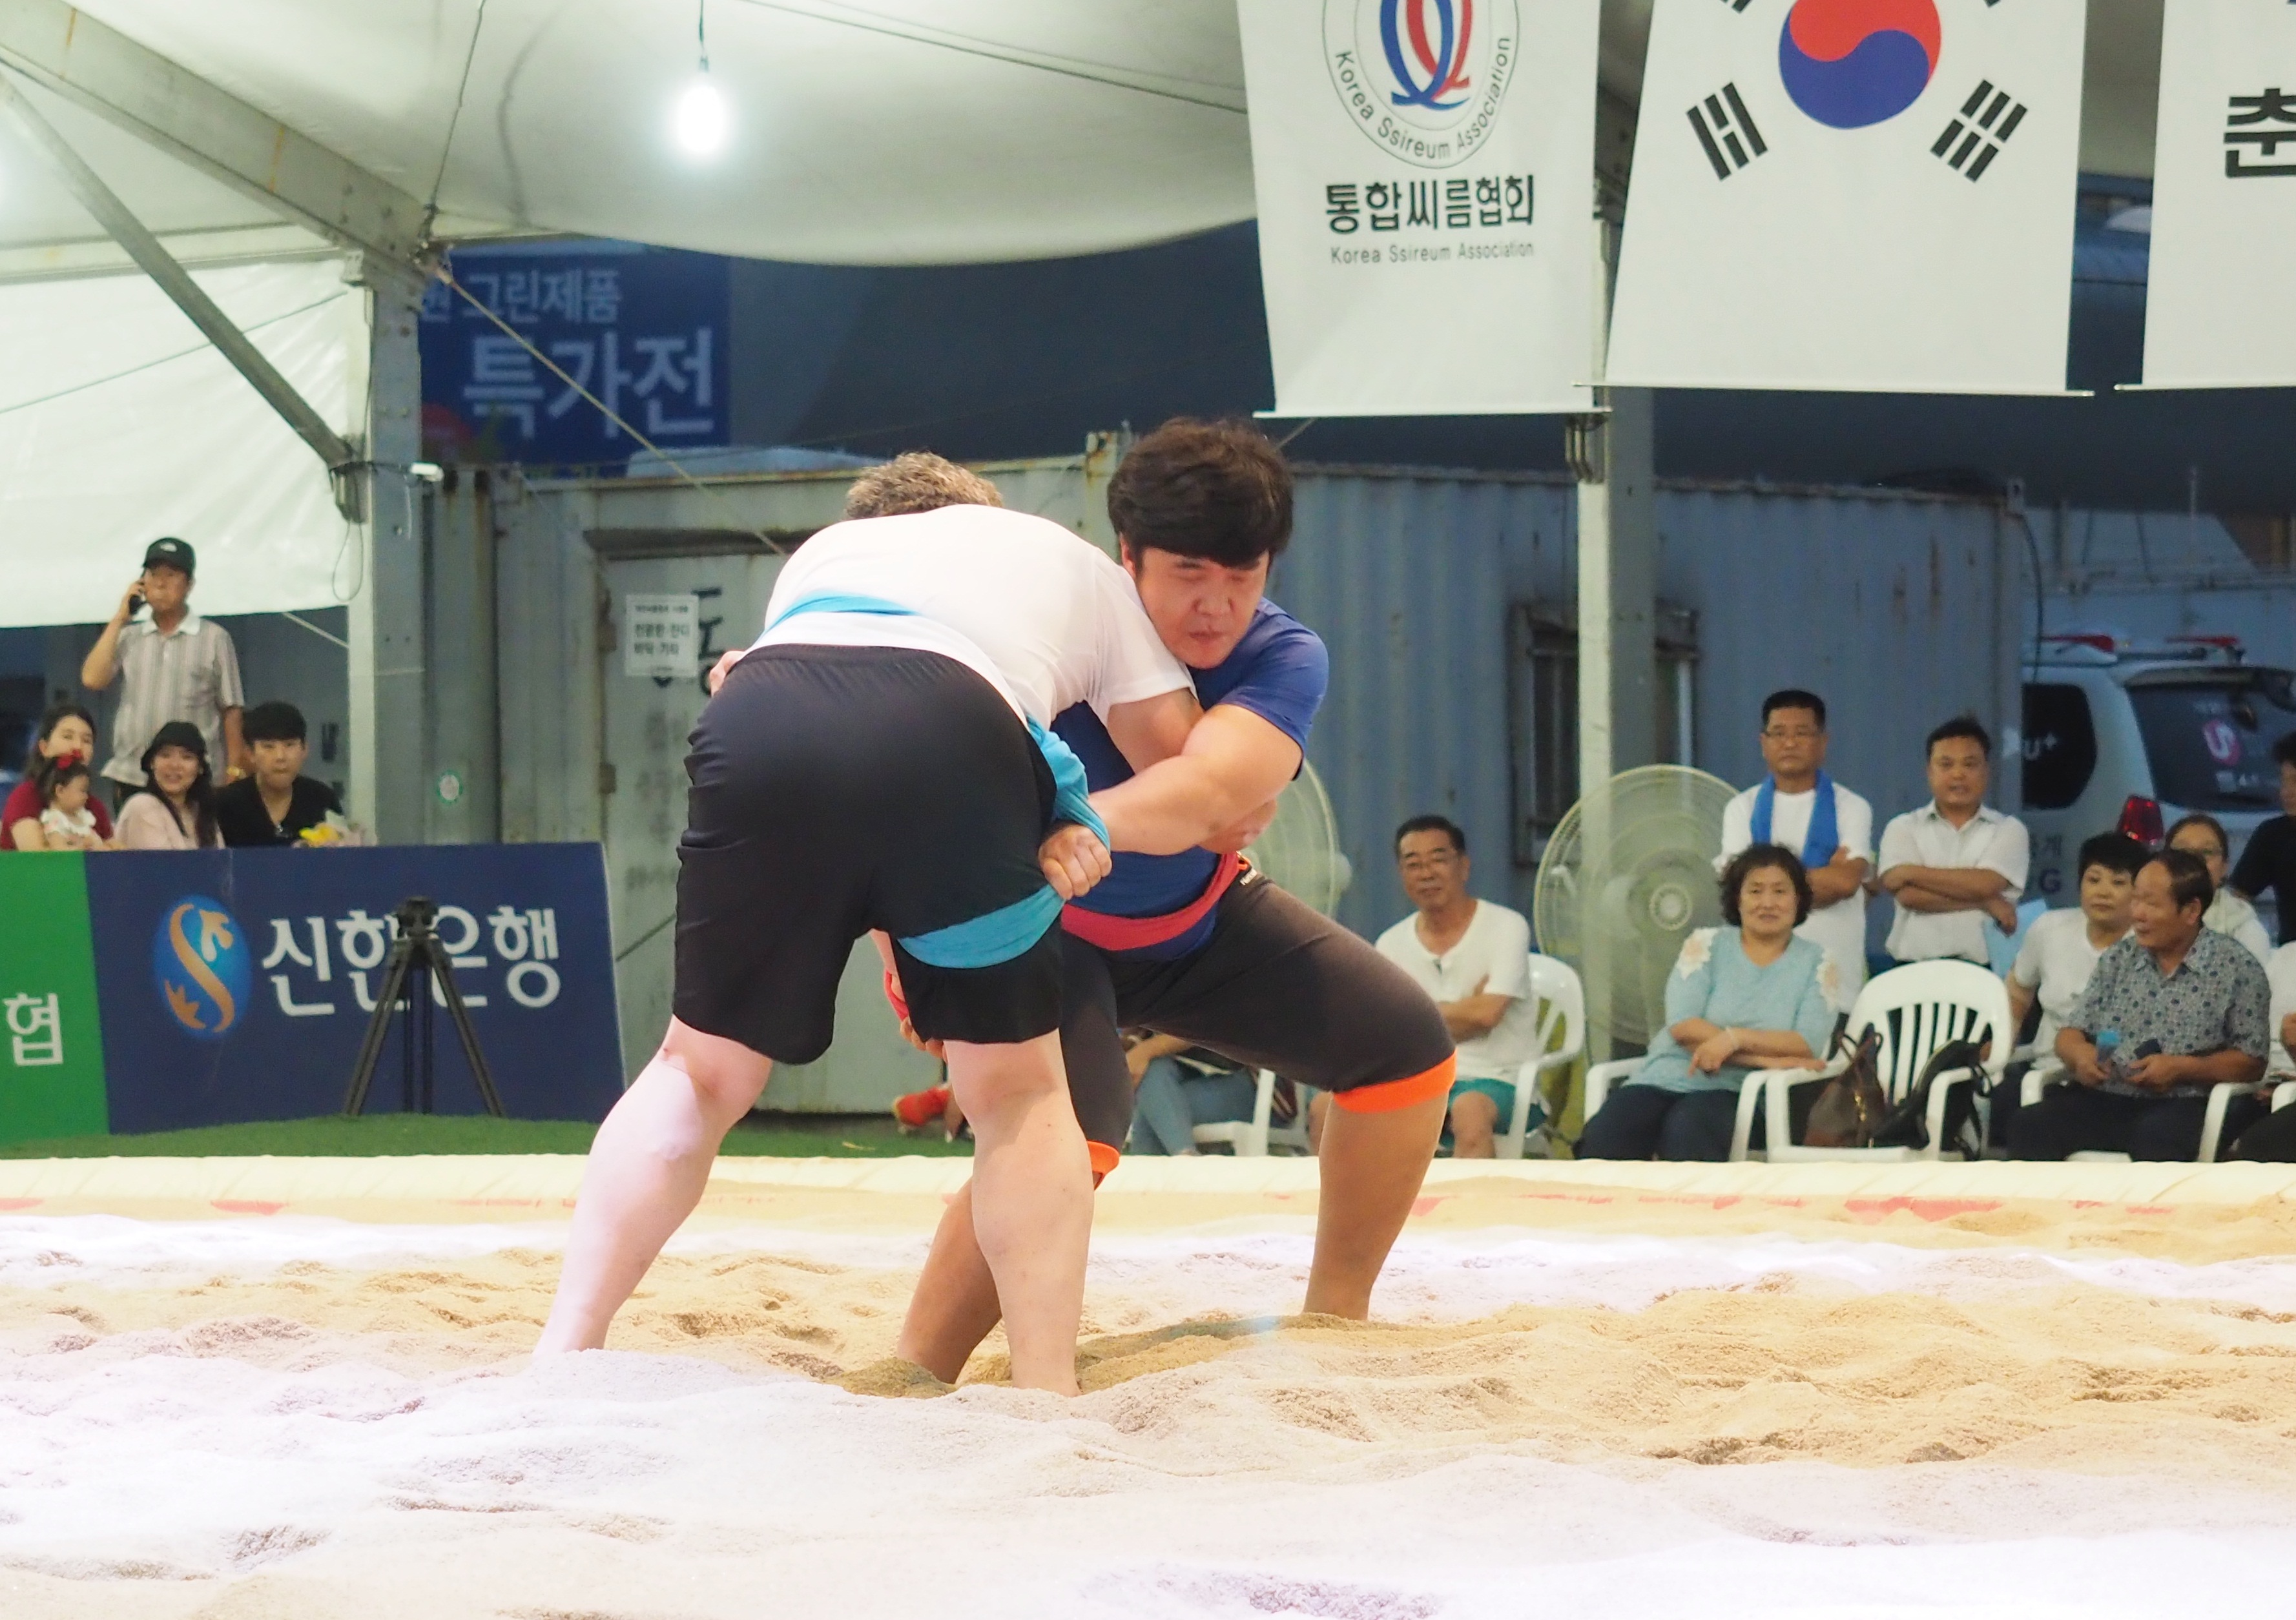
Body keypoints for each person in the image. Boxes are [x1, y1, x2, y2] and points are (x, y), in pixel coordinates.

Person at [536, 456, 1202, 1395]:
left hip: (760, 711)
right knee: (1014, 1090)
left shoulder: (823, 553)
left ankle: (564, 1345)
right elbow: (1179, 762)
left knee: (696, 1068)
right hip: (957, 729)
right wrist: (1073, 815)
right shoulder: (1066, 557)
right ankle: (1046, 1391)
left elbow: (853, 778)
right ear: (984, 515)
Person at [889, 420, 1453, 1387]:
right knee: (1073, 1131)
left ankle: (1333, 1322)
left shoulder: (1284, 654)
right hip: (1039, 932)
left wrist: (1079, 825)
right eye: (1189, 571)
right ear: (1126, 556)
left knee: (1403, 1045)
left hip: (1189, 922)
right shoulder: (1043, 625)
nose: (1216, 605)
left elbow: (1205, 793)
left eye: (1243, 575)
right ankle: (913, 1368)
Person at [1576, 845, 1839, 1162]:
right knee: (1608, 1135)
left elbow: (1803, 1044)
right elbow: (1684, 1026)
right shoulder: (1706, 945)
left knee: (1689, 1131)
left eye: (1780, 891)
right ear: (1737, 899)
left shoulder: (1817, 962)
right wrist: (1766, 1059)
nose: (1767, 903)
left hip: (1741, 1093)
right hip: (1666, 1074)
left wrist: (1733, 1039)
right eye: (1755, 891)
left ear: (1799, 900)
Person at [2011, 849, 2270, 1162]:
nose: (2138, 914)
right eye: (2135, 900)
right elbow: (2070, 1033)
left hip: (2189, 1100)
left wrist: (2182, 1068)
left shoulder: (2236, 967)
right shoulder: (2120, 959)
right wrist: (2081, 1056)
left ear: (2191, 911)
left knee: (2156, 1136)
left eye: (2151, 904)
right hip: (2109, 1095)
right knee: (2029, 1125)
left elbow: (2253, 1060)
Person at [1373, 816, 1538, 1158]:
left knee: (1469, 1112)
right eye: (1413, 864)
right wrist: (1466, 1007)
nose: (1427, 873)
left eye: (1438, 859)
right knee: (1327, 1108)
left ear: (1464, 867)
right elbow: (1387, 1032)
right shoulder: (1390, 944)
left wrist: (1417, 1021)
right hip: (1417, 1079)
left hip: (1499, 1078)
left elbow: (1487, 1015)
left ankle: (1473, 1212)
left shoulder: (1506, 927)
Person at [1717, 690, 1874, 1005]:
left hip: (1834, 974)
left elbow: (1845, 883)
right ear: (1763, 743)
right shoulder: (1741, 808)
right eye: (1779, 734)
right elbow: (1736, 889)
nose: (1789, 743)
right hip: (1758, 978)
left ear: (1823, 743)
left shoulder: (1852, 807)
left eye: (1802, 733)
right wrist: (1823, 876)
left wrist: (1766, 888)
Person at [1998, 833, 2146, 1147]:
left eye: (2118, 883)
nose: (2103, 892)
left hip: (2110, 1080)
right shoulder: (2049, 928)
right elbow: (2018, 991)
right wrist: (2001, 1047)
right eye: (2094, 880)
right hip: (2045, 1069)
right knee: (1991, 1097)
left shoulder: (2149, 944)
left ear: (2139, 893)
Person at [82, 537, 249, 801]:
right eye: (153, 574)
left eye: (171, 575)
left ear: (190, 585)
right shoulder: (128, 636)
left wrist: (235, 769)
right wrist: (120, 617)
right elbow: (92, 679)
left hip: (195, 777)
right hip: (133, 774)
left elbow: (231, 709)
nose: (160, 583)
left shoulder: (214, 637)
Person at [1877, 716, 2030, 966]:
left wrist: (1910, 872)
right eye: (1946, 765)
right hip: (1913, 969)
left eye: (1970, 765)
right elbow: (1909, 897)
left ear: (1986, 771)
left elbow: (1986, 883)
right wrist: (1985, 903)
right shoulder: (1903, 827)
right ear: (1929, 772)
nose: (1958, 774)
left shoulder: (2009, 829)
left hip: (1984, 970)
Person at [214, 701, 344, 847]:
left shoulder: (322, 799)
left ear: (305, 749)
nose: (280, 757)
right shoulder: (225, 804)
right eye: (268, 747)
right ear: (250, 753)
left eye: (289, 745)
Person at [1121, 1034, 1268, 1156]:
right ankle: (1185, 1159)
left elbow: (1203, 1025)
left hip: (1257, 1085)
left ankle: (1184, 1167)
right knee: (1153, 1082)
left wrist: (1145, 1051)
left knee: (1152, 1106)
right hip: (1194, 1079)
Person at [3, 703, 115, 851]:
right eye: (67, 737)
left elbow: (114, 857)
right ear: (44, 748)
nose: (77, 746)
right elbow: (37, 857)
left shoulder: (96, 807)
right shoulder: (26, 796)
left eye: (86, 740)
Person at [2167, 813, 2272, 964]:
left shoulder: (2244, 927)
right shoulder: (2143, 916)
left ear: (2224, 867)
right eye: (2183, 852)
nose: (2195, 860)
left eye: (2207, 852)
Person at [2228, 732, 2296, 946]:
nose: (2287, 792)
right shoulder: (2273, 836)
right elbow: (2237, 901)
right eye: (2283, 781)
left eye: (2295, 781)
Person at [115, 721, 224, 850]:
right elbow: (164, 867)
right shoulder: (143, 806)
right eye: (165, 755)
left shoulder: (200, 812)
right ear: (152, 763)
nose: (175, 765)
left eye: (186, 757)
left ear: (200, 768)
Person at [34, 757, 107, 851]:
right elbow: (59, 851)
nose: (86, 796)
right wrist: (81, 847)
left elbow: (98, 843)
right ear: (60, 791)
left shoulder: (83, 818)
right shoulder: (55, 820)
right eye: (82, 791)